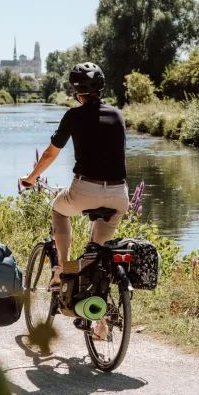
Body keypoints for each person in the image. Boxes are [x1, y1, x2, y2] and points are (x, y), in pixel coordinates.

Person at [20, 61, 129, 294]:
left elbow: (50, 154)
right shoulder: (118, 115)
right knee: (97, 256)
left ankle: (62, 269)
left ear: (76, 91)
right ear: (101, 88)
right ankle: (101, 320)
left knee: (59, 210)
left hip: (85, 191)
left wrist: (32, 178)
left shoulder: (73, 116)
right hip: (119, 195)